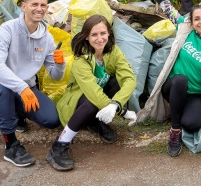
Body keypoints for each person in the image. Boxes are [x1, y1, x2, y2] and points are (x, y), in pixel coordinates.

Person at [137, 0, 201, 157]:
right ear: (192, 22)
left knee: (192, 124)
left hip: (196, 94)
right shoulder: (185, 31)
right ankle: (175, 130)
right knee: (181, 80)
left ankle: (181, 117)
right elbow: (168, 9)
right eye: (197, 18)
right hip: (174, 86)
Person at [0, 0, 66, 167]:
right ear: (24, 6)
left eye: (43, 5)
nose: (39, 8)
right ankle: (11, 145)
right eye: (34, 4)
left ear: (47, 7)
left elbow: (56, 77)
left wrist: (60, 64)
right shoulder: (7, 29)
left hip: (26, 88)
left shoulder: (47, 38)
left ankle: (17, 112)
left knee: (52, 120)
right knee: (5, 90)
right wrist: (22, 88)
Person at [47, 15, 137, 171]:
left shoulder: (113, 51)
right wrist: (121, 111)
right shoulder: (81, 60)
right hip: (77, 103)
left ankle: (97, 122)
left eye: (103, 33)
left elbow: (130, 79)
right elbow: (93, 93)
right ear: (87, 37)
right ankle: (59, 145)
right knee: (90, 103)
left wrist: (115, 104)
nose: (99, 38)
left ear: (109, 34)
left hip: (99, 98)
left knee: (117, 81)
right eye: (94, 34)